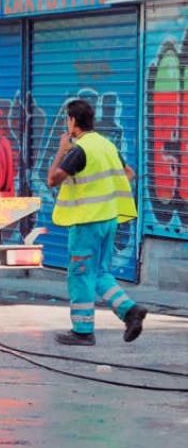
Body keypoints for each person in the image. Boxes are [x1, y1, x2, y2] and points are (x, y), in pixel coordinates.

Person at [47, 99, 146, 346]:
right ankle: (130, 311)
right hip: (109, 219)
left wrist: (61, 149)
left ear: (72, 122)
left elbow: (52, 179)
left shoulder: (80, 150)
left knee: (80, 274)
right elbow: (129, 173)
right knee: (99, 272)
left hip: (87, 222)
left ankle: (82, 331)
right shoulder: (107, 145)